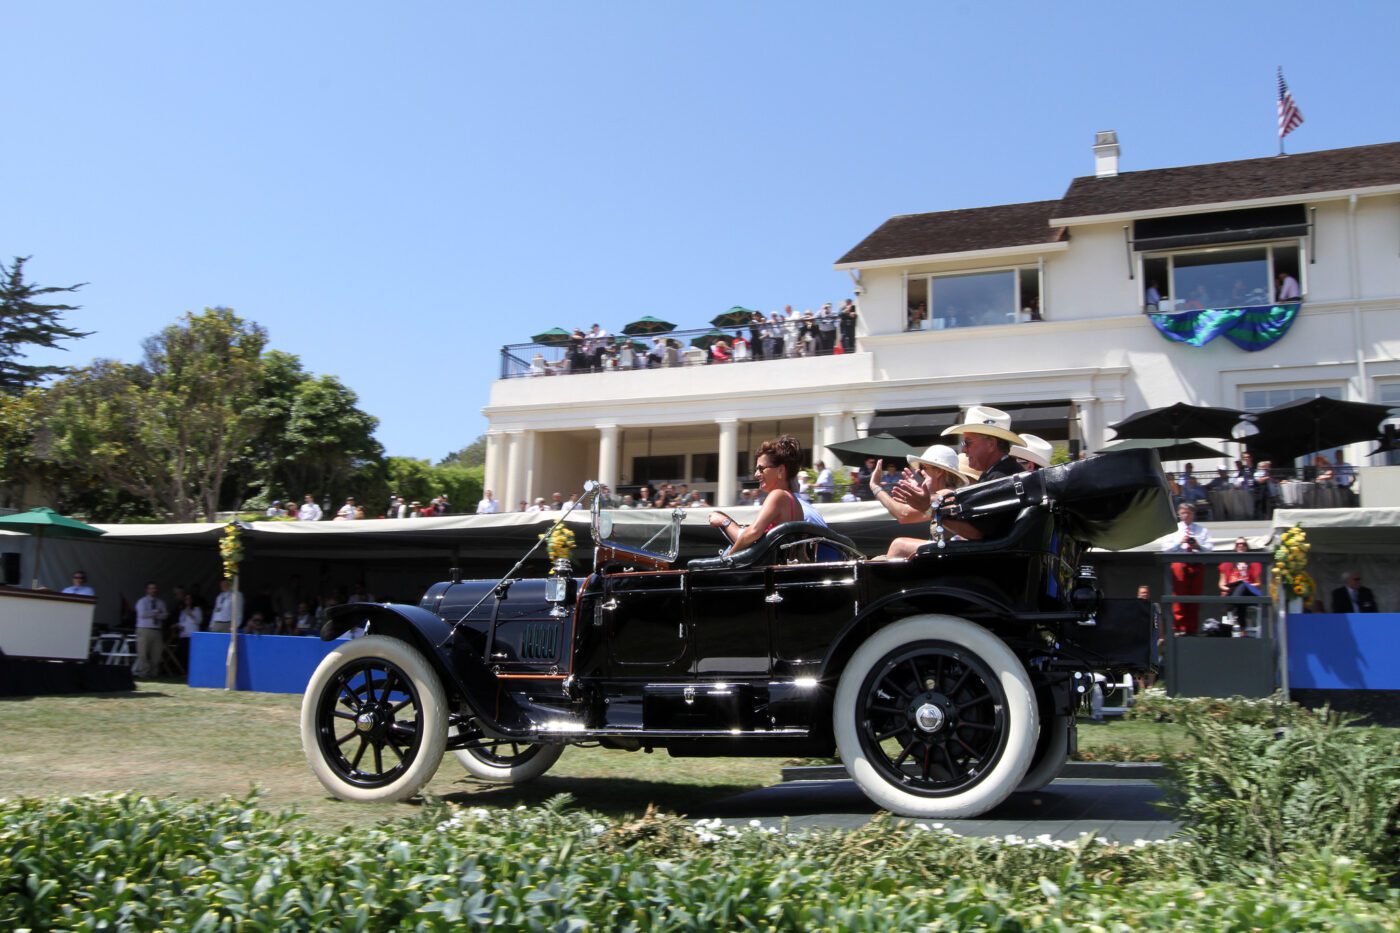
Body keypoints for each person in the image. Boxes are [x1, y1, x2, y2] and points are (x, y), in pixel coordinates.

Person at [890, 406, 1027, 541]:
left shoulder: (1000, 478)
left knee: (899, 546)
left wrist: (927, 508)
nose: (963, 449)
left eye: (968, 443)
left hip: (989, 558)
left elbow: (975, 532)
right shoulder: (1001, 472)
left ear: (991, 444)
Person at [708, 435, 805, 554]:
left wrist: (729, 557)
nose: (756, 474)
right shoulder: (796, 503)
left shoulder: (777, 495)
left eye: (761, 468)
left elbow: (753, 532)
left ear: (780, 470)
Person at [869, 445, 968, 559]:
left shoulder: (946, 494)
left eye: (923, 467)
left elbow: (903, 515)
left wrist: (876, 488)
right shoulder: (944, 494)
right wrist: (919, 493)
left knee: (899, 546)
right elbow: (908, 513)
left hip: (949, 556)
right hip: (943, 554)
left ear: (939, 472)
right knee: (878, 559)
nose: (919, 471)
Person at [1161, 503, 1213, 635]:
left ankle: (1192, 629)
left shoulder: (1202, 531)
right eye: (1183, 512)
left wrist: (1197, 546)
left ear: (1193, 514)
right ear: (1179, 514)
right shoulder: (1173, 530)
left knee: (1194, 599)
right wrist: (1180, 542)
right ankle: (1179, 629)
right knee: (1178, 598)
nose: (1186, 515)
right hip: (1179, 564)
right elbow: (1165, 550)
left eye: (1189, 512)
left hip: (1196, 565)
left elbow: (1210, 549)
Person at [1218, 537, 1263, 626]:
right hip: (1232, 591)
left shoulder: (1253, 563)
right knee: (1240, 599)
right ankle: (1243, 630)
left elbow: (1259, 583)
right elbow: (1221, 584)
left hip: (1250, 592)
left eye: (1243, 544)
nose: (1241, 546)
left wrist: (1247, 585)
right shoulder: (1227, 564)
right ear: (1235, 547)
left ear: (1247, 547)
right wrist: (1230, 589)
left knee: (1242, 585)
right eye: (1238, 544)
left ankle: (1231, 604)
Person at [132, 581, 168, 678]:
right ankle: (144, 672)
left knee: (156, 654)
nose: (153, 590)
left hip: (156, 630)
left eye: (155, 588)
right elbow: (142, 614)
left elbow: (165, 615)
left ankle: (154, 673)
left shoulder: (160, 602)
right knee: (143, 653)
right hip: (144, 629)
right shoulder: (142, 601)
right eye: (151, 588)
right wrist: (155, 612)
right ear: (147, 590)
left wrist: (155, 614)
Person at [176, 592, 203, 671]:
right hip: (183, 634)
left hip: (192, 635)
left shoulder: (197, 609)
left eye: (189, 598)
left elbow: (199, 621)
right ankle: (183, 670)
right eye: (186, 599)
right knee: (183, 653)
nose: (188, 600)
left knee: (191, 654)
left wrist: (190, 614)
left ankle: (192, 670)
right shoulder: (183, 610)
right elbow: (182, 622)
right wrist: (178, 625)